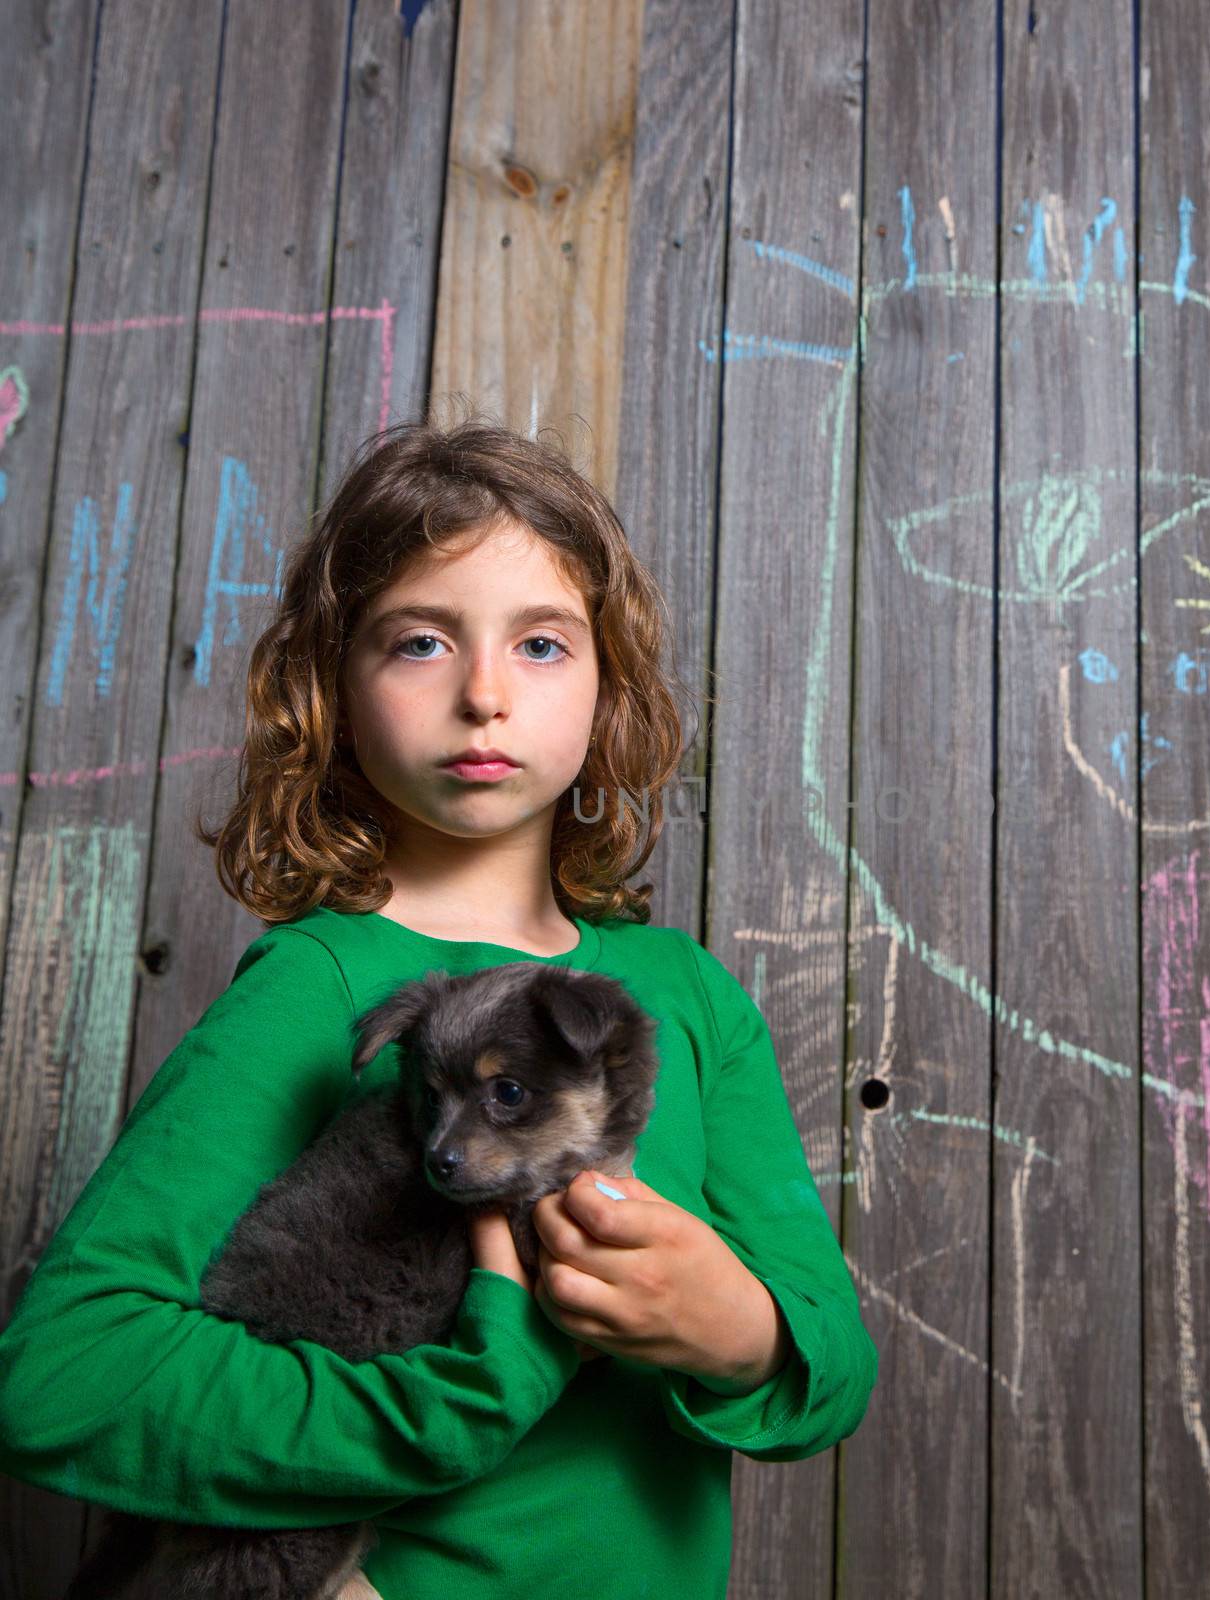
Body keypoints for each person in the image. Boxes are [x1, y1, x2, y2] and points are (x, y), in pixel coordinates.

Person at [0, 412, 878, 1598]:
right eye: (419, 642)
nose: (482, 695)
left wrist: (739, 1330)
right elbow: (62, 1369)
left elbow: (832, 1366)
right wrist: (432, 1419)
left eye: (543, 645)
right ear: (331, 689)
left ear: (608, 687)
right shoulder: (324, 985)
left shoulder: (687, 997)